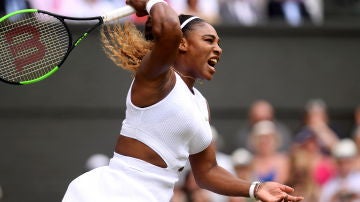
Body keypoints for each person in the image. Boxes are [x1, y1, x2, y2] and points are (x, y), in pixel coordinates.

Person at [62, 1, 304, 201]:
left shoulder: (200, 104)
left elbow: (207, 172)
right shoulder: (156, 78)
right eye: (209, 40)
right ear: (181, 42)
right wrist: (149, 3)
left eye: (219, 43)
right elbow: (168, 27)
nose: (218, 49)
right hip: (112, 193)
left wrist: (255, 189)